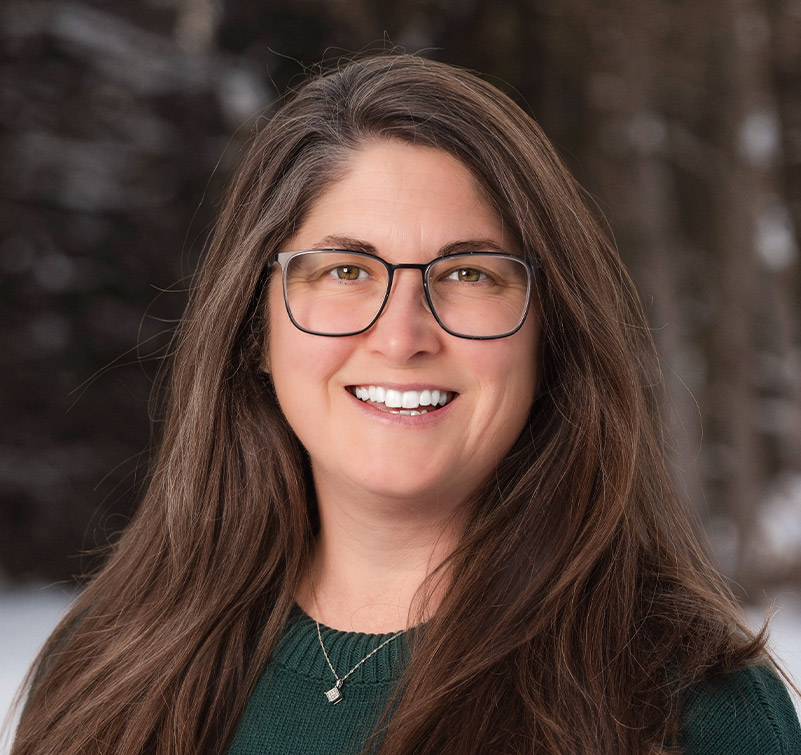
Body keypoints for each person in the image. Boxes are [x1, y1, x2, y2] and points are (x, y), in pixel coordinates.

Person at [9, 54, 801, 755]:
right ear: (254, 326)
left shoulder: (690, 706)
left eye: (468, 275)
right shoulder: (109, 665)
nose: (402, 335)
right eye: (345, 271)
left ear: (548, 330)